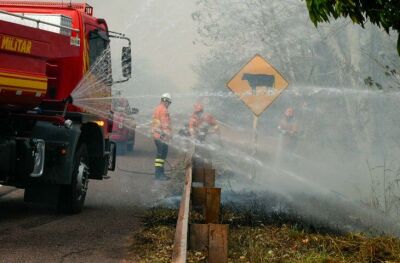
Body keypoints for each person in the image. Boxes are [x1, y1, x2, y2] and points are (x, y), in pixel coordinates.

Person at [152, 93, 172, 180]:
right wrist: (168, 135)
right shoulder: (164, 110)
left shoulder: (157, 109)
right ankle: (159, 174)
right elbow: (165, 124)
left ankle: (160, 173)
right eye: (169, 102)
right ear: (166, 101)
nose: (169, 105)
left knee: (160, 155)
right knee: (161, 156)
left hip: (157, 135)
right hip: (162, 136)